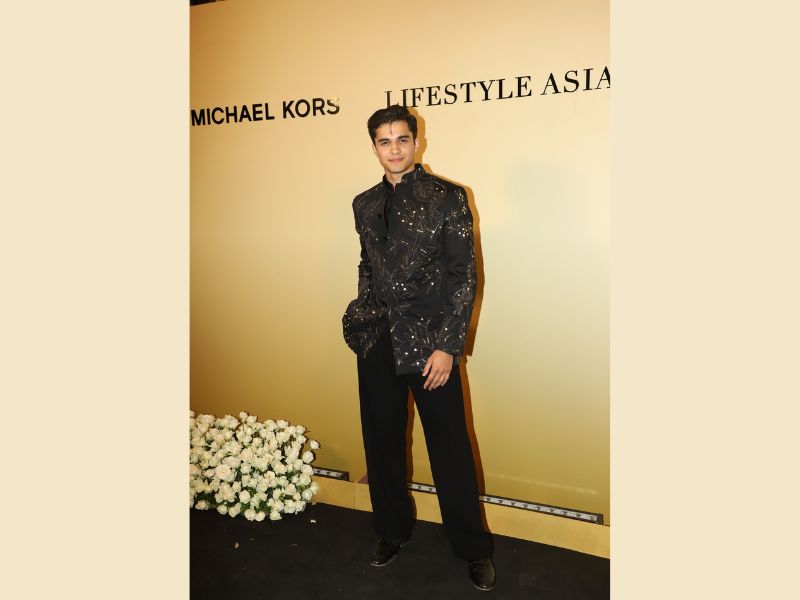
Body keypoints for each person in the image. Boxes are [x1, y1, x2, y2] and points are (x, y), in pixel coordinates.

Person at [342, 104, 495, 591]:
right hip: (378, 340)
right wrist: (362, 313)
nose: (394, 149)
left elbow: (463, 275)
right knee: (382, 442)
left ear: (416, 142)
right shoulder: (364, 203)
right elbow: (368, 263)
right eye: (384, 141)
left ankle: (473, 549)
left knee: (450, 449)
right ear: (374, 147)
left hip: (431, 346)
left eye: (402, 139)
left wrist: (449, 346)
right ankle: (391, 530)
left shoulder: (447, 197)